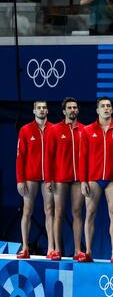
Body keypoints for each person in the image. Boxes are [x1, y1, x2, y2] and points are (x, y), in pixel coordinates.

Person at [78, 97, 113, 263]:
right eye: (103, 106)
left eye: (109, 106)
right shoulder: (87, 130)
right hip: (93, 178)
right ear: (97, 110)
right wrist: (83, 180)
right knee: (90, 213)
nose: (106, 108)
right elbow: (82, 157)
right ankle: (89, 252)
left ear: (112, 110)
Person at [45, 98, 85, 261]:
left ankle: (77, 250)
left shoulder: (84, 130)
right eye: (69, 108)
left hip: (78, 179)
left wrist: (85, 178)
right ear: (64, 111)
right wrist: (49, 179)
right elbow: (48, 156)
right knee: (58, 212)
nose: (73, 110)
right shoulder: (55, 130)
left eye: (75, 107)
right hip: (60, 178)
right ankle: (56, 249)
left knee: (77, 212)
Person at [16, 101, 54, 259]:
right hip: (30, 177)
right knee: (27, 211)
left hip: (49, 178)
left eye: (44, 107)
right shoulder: (25, 130)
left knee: (49, 211)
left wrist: (54, 177)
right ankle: (25, 247)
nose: (42, 110)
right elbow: (20, 157)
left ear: (47, 110)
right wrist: (20, 180)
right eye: (39, 108)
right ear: (34, 111)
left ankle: (51, 248)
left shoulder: (54, 129)